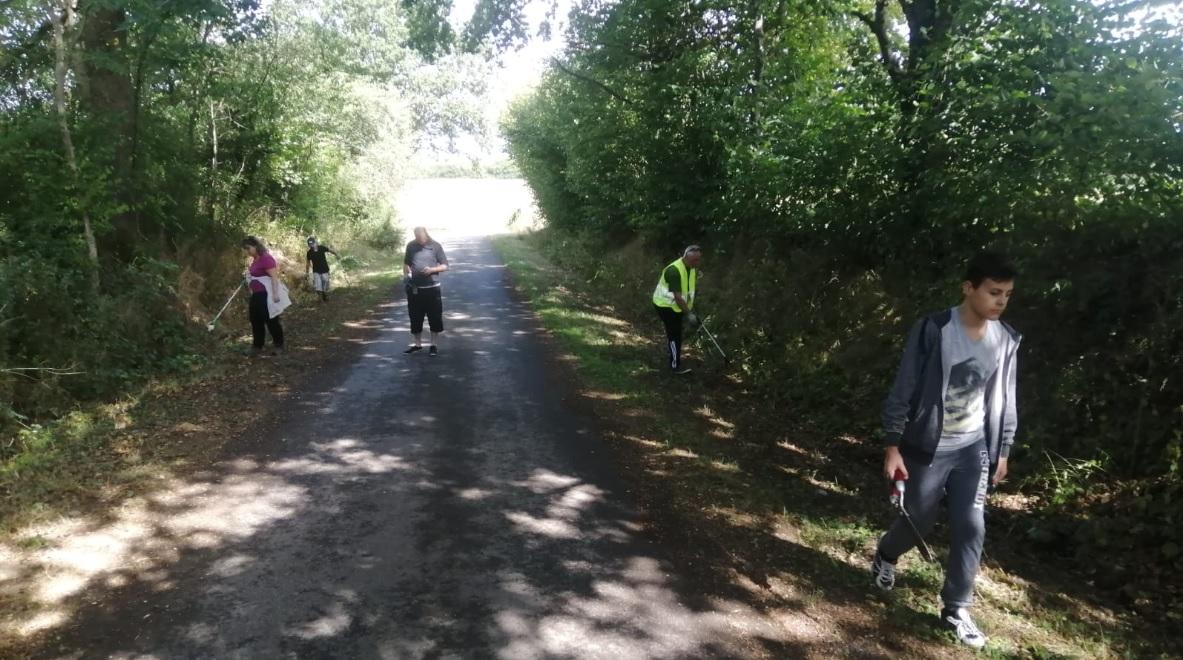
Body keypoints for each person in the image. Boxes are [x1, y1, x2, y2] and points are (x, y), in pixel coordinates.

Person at [871, 251, 1021, 649]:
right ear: (968, 288)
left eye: (1007, 294)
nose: (1001, 301)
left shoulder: (1005, 339)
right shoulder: (935, 329)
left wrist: (1003, 448)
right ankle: (886, 553)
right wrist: (893, 444)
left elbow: (1006, 397)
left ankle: (956, 608)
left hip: (973, 449)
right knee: (918, 519)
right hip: (927, 445)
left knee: (972, 525)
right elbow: (904, 386)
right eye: (994, 292)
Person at [652, 245, 702, 375]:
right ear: (686, 258)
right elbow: (678, 297)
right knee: (674, 335)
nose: (697, 263)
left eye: (699, 259)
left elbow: (687, 291)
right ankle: (674, 366)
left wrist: (690, 307)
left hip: (677, 305)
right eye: (695, 260)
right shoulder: (674, 271)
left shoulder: (691, 268)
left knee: (677, 333)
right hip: (665, 305)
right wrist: (689, 314)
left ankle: (674, 358)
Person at [403, 227, 448, 356]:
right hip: (415, 290)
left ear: (426, 234)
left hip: (432, 289)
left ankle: (433, 345)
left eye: (421, 237)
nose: (419, 239)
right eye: (417, 237)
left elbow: (445, 265)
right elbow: (406, 263)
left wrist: (432, 270)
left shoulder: (435, 246)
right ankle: (417, 345)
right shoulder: (411, 246)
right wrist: (407, 275)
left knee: (434, 317)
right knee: (415, 317)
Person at [242, 236, 290, 357]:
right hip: (256, 294)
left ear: (256, 246)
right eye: (245, 249)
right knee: (255, 319)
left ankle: (279, 345)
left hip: (266, 294)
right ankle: (257, 346)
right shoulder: (255, 260)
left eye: (248, 248)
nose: (247, 251)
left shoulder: (266, 259)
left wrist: (275, 294)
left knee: (271, 320)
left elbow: (274, 277)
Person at [305, 236, 339, 302]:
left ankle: (324, 294)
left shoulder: (321, 248)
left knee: (325, 282)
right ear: (308, 245)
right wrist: (307, 273)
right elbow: (308, 263)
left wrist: (336, 255)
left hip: (325, 269)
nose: (311, 245)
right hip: (316, 271)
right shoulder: (309, 253)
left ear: (315, 242)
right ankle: (320, 299)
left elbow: (330, 250)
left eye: (312, 243)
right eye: (310, 244)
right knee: (318, 285)